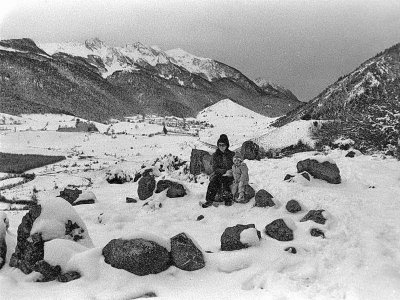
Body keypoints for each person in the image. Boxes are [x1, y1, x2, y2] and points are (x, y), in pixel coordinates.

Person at [202, 134, 235, 208]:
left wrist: (230, 171)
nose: (221, 147)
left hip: (231, 173)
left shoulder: (232, 155)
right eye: (219, 145)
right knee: (214, 182)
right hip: (220, 173)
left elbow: (236, 165)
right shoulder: (215, 155)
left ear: (227, 145)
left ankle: (228, 199)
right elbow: (215, 168)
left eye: (223, 145)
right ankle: (209, 200)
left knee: (226, 181)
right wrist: (224, 172)